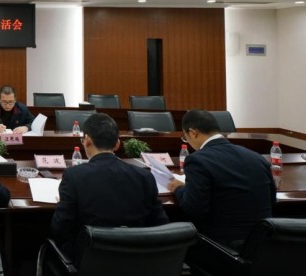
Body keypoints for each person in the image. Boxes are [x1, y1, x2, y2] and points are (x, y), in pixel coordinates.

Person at [51, 113, 168, 258]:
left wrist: (63, 202)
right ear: (117, 144)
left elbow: (60, 228)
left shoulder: (73, 176)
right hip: (137, 260)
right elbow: (161, 226)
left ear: (87, 140)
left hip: (90, 260)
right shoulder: (144, 176)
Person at [168, 110, 276, 248]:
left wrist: (178, 188)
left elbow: (193, 208)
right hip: (266, 245)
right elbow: (272, 200)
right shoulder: (257, 157)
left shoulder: (197, 160)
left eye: (185, 137)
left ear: (193, 133)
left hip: (224, 248)